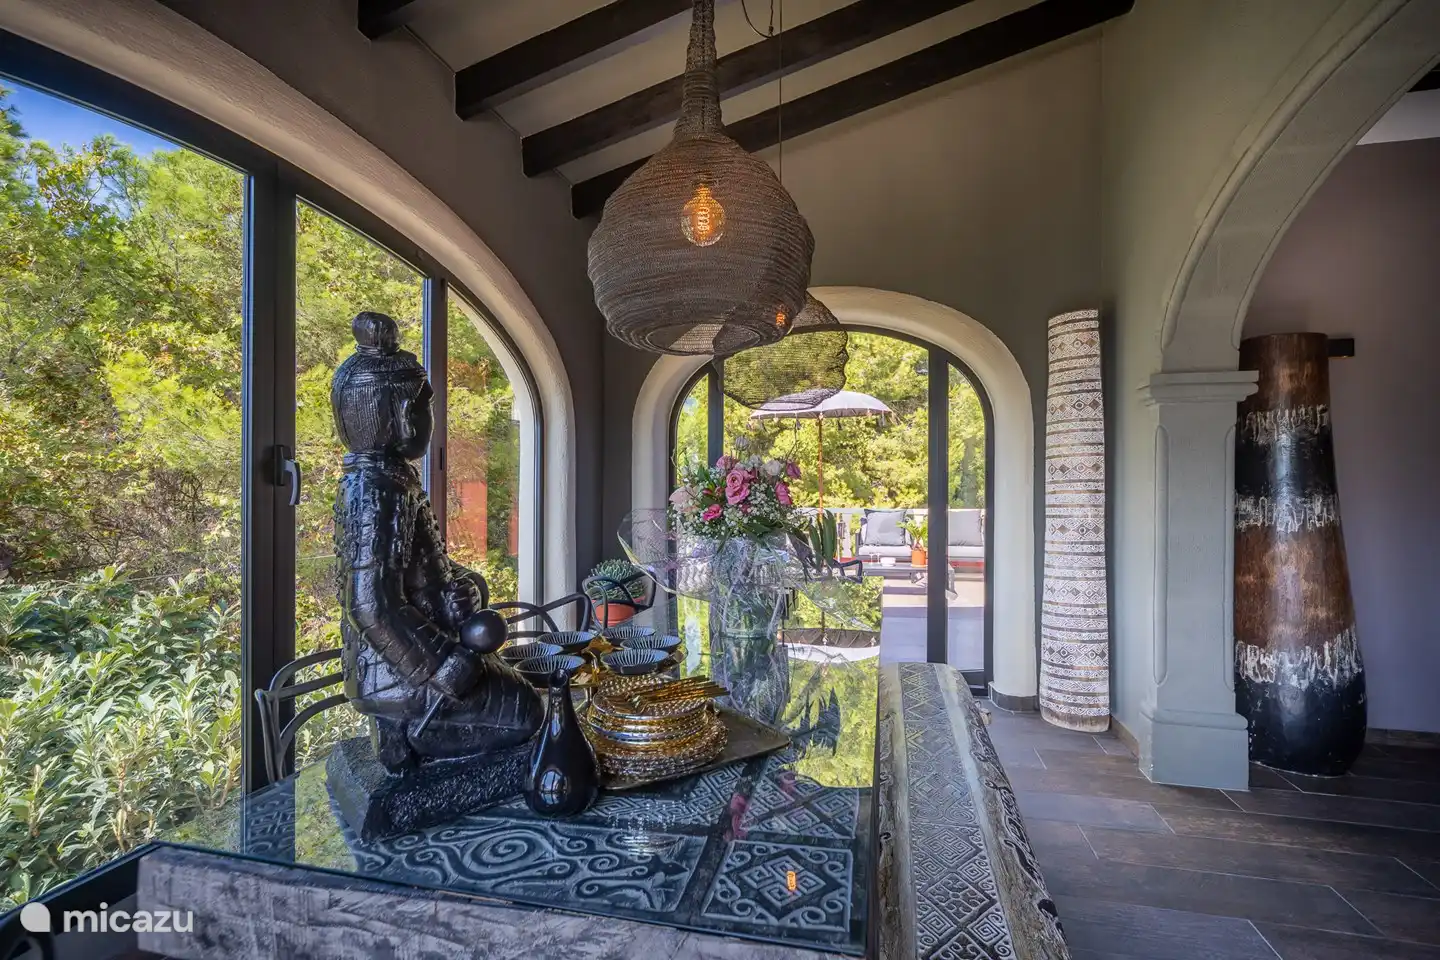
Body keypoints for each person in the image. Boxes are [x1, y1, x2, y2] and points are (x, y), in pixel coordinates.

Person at [330, 311, 541, 771]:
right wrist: (446, 667)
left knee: (522, 693)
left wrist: (462, 584)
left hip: (418, 658)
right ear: (405, 418)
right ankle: (404, 730)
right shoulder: (375, 492)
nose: (430, 419)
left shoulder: (389, 483)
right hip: (405, 674)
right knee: (526, 711)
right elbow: (370, 606)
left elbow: (414, 574)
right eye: (426, 408)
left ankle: (405, 732)